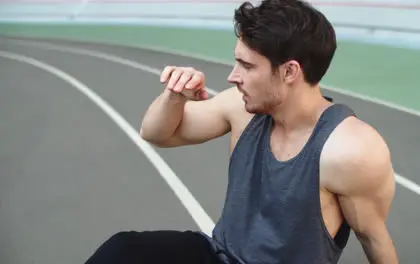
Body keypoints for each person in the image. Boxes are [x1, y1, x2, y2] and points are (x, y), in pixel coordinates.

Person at [85, 0, 399, 263]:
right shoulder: (241, 107)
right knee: (124, 250)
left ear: (290, 71)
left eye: (247, 66)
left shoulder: (349, 149)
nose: (233, 76)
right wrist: (175, 96)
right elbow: (155, 133)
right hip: (221, 254)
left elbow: (374, 239)